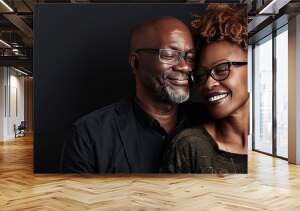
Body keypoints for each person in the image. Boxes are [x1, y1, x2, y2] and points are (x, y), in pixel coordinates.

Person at [60, 17, 196, 173]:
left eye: (190, 57)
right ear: (135, 63)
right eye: (170, 55)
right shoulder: (88, 135)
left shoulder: (207, 122)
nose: (185, 67)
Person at [161, 5, 249, 174]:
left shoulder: (279, 147)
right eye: (201, 76)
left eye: (222, 69)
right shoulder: (190, 146)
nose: (208, 84)